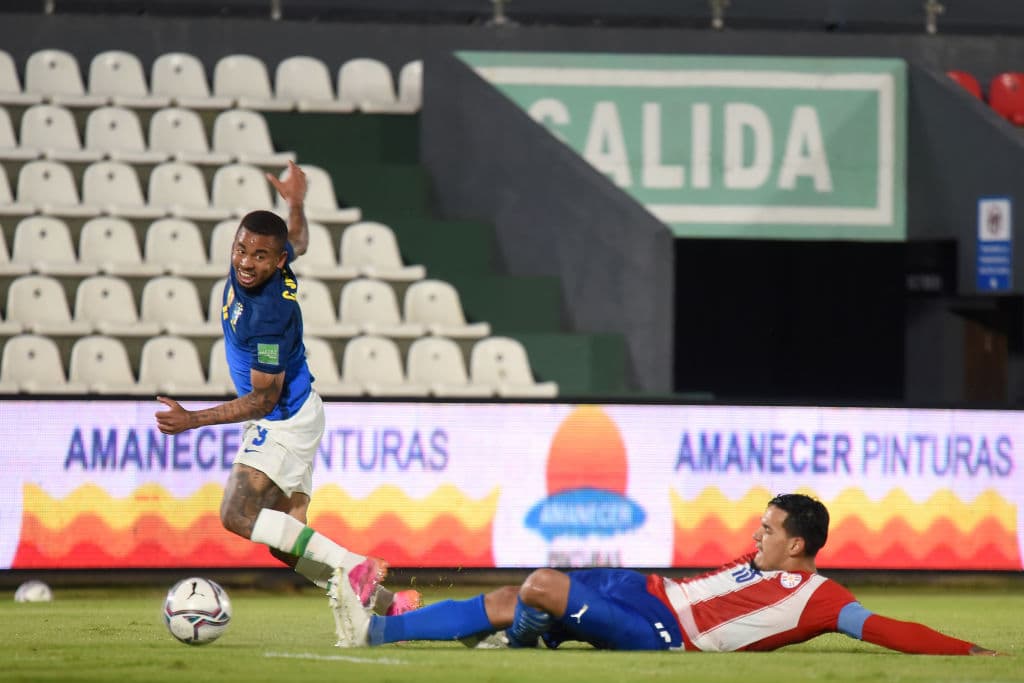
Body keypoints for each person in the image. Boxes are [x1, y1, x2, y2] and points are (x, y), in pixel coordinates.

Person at [155, 161, 419, 618]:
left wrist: (191, 420)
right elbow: (296, 240)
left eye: (259, 256)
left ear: (276, 264)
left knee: (236, 515)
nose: (245, 262)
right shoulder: (273, 260)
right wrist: (295, 202)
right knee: (287, 539)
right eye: (241, 249)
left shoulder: (268, 317)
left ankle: (355, 566)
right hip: (299, 412)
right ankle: (385, 603)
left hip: (284, 419)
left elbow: (263, 399)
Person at [330, 493, 999, 654]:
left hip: (663, 629)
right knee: (514, 592)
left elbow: (884, 627)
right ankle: (378, 629)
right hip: (648, 589)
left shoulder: (821, 596)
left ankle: (533, 632)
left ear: (798, 544)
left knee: (538, 585)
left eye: (767, 530)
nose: (755, 535)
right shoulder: (756, 564)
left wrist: (969, 649)